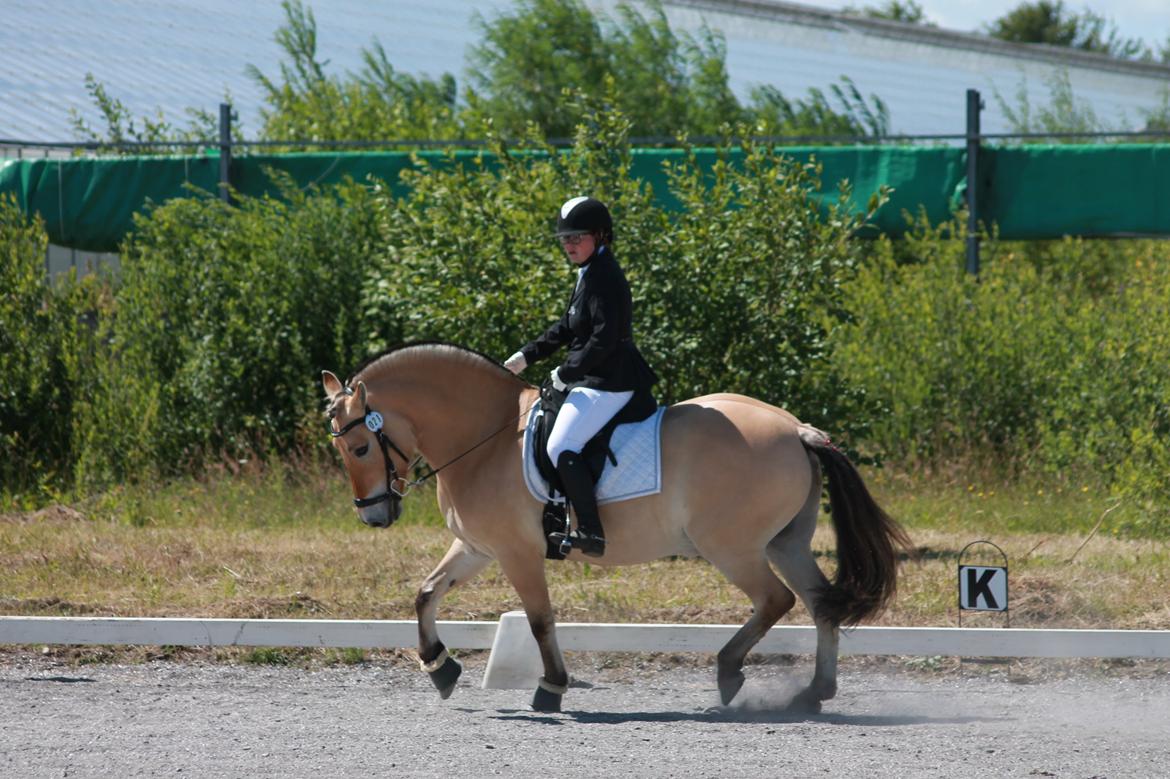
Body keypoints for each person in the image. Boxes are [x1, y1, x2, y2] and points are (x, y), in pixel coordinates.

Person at [503, 196, 658, 557]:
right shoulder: (589, 271)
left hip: (612, 380)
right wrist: (526, 356)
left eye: (577, 237)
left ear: (601, 236)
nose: (569, 245)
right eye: (565, 239)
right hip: (593, 377)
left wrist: (565, 372)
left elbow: (603, 340)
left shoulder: (606, 277)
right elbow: (567, 327)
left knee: (561, 445)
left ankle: (591, 530)